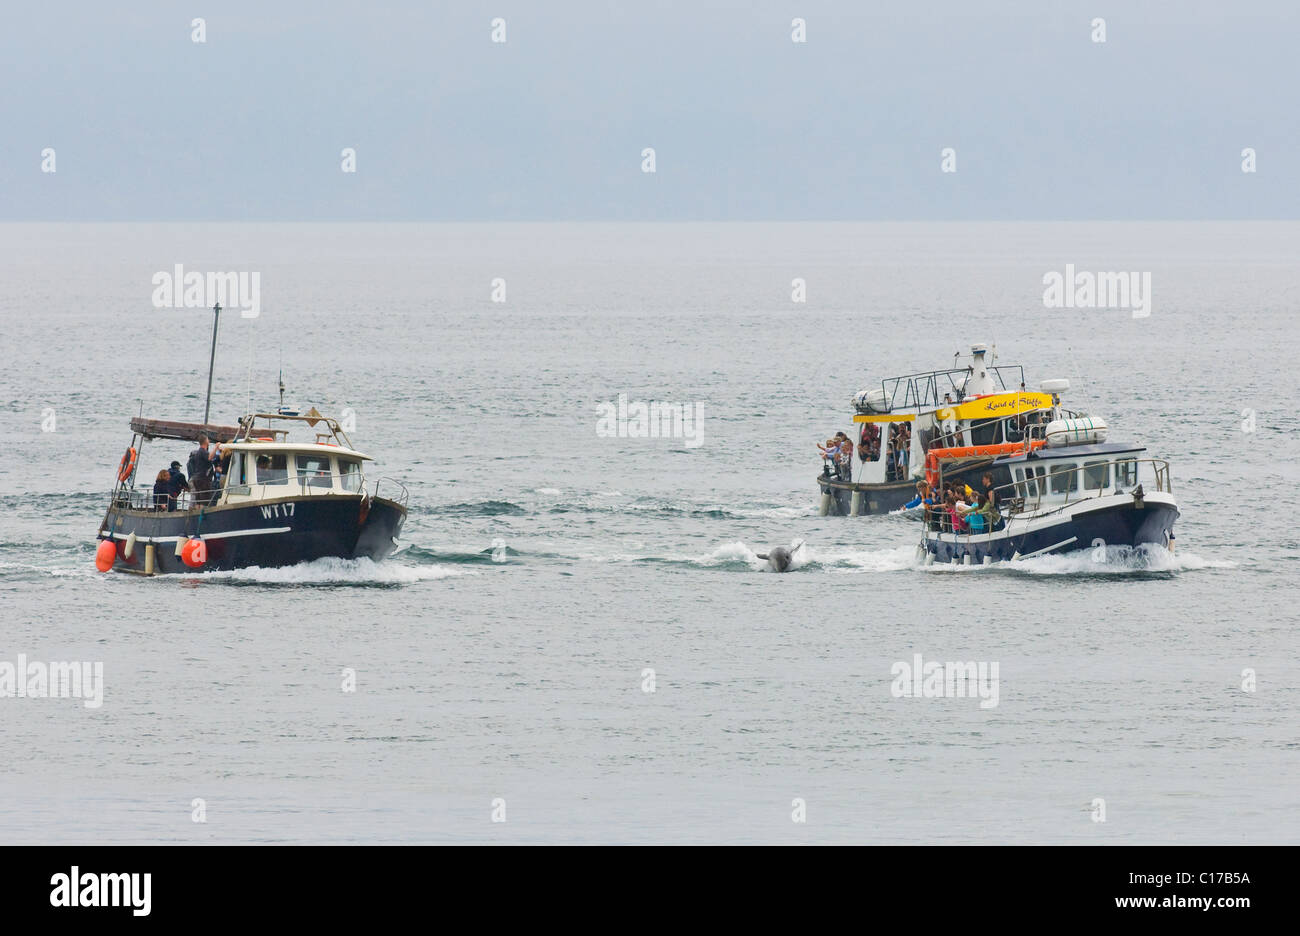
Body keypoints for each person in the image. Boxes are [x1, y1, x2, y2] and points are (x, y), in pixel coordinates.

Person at [187, 434, 216, 506]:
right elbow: (209, 458)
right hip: (203, 479)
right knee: (204, 499)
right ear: (205, 441)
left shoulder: (199, 452)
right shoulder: (203, 451)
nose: (209, 441)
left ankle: (198, 514)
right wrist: (216, 447)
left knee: (198, 500)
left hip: (197, 478)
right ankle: (202, 514)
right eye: (208, 439)